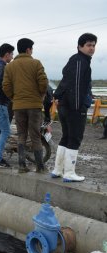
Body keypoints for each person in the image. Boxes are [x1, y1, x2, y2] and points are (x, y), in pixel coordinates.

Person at [51, 33, 97, 182]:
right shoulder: (80, 61)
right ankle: (69, 173)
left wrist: (58, 96)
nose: (92, 48)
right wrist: (80, 106)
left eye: (94, 45)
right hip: (73, 107)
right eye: (89, 45)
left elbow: (65, 82)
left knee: (66, 137)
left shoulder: (76, 60)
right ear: (80, 46)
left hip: (65, 105)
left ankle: (58, 170)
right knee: (75, 138)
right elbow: (76, 86)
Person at [3, 38, 48, 173]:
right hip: (34, 105)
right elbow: (43, 83)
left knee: (21, 134)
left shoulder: (10, 66)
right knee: (35, 135)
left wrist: (14, 98)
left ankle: (22, 166)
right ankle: (40, 167)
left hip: (18, 105)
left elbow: (5, 86)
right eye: (32, 49)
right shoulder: (36, 63)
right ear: (28, 49)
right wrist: (40, 96)